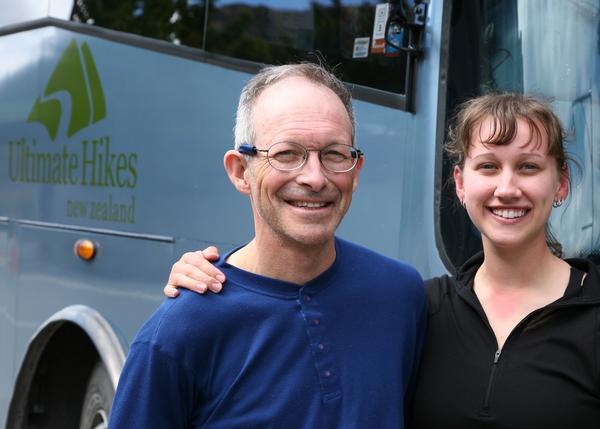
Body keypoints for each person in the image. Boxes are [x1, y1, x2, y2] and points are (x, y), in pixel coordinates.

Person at [164, 93, 600, 428]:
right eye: (488, 166)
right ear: (460, 183)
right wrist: (218, 281)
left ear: (560, 184)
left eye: (527, 167)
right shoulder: (416, 306)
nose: (507, 188)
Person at [109, 63, 427, 428]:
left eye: (335, 154)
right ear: (241, 172)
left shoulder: (400, 295)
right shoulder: (180, 331)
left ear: (355, 172)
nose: (313, 177)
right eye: (287, 154)